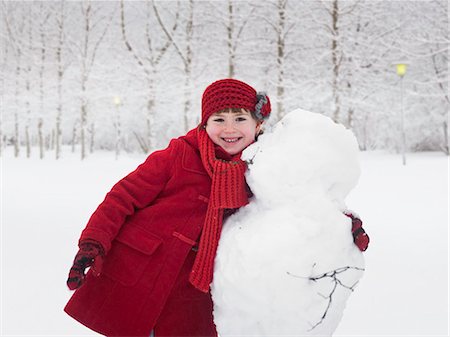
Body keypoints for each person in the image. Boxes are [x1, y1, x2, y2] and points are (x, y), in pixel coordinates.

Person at [64, 78, 369, 337]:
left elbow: (301, 195)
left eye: (240, 118)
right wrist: (93, 243)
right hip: (143, 272)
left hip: (197, 296)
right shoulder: (178, 155)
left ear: (257, 123)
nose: (229, 129)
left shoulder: (264, 165)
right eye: (219, 119)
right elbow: (123, 197)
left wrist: (343, 222)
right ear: (205, 122)